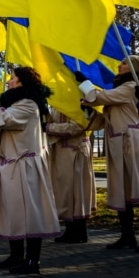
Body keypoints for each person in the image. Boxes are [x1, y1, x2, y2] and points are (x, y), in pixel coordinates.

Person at [0, 67, 61, 274]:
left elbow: (6, 120)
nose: (8, 82)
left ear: (22, 83)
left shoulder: (29, 104)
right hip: (12, 164)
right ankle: (16, 255)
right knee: (13, 211)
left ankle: (33, 260)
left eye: (12, 79)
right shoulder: (18, 104)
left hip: (26, 166)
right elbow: (1, 126)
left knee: (30, 211)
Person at [78, 55, 139, 252]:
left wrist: (85, 83)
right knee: (122, 188)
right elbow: (103, 119)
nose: (118, 65)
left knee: (138, 186)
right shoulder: (120, 90)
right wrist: (86, 109)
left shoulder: (130, 87)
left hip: (130, 140)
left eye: (124, 63)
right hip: (118, 141)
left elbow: (99, 97)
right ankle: (127, 235)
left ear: (133, 68)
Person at [45, 104, 100, 244]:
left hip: (75, 151)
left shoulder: (75, 102)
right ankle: (72, 229)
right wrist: (46, 115)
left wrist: (49, 127)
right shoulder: (57, 103)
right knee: (65, 192)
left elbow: (77, 126)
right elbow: (53, 122)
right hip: (62, 153)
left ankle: (79, 230)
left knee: (77, 191)